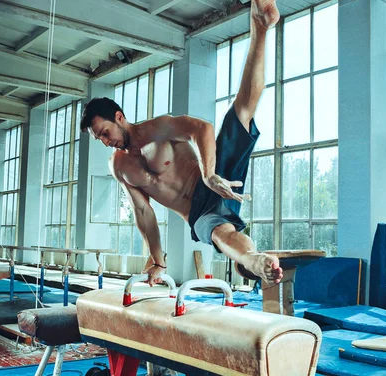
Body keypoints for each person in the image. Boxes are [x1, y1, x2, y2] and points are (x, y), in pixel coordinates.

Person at [80, 0, 283, 287]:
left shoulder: (159, 128)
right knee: (216, 230)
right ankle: (254, 259)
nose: (104, 141)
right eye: (99, 138)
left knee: (241, 114)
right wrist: (158, 259)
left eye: (103, 132)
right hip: (197, 212)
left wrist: (209, 173)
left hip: (213, 174)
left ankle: (259, 26)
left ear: (119, 117)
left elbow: (202, 128)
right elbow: (143, 212)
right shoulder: (120, 166)